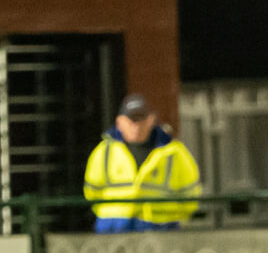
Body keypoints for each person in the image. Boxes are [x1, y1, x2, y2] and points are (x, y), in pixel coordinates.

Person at [83, 93, 201, 233]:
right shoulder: (104, 152)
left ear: (151, 120)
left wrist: (171, 218)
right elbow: (91, 193)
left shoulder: (174, 153)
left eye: (141, 119)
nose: (136, 126)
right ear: (119, 122)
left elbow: (191, 194)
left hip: (161, 228)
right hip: (114, 228)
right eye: (131, 120)